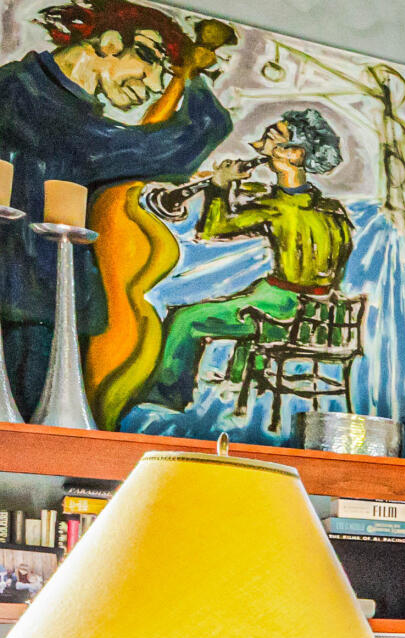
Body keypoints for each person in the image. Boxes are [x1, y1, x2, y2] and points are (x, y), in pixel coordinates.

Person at [0, 0, 235, 417]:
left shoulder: (58, 107)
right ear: (109, 42)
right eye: (148, 61)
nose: (151, 86)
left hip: (42, 300)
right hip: (22, 301)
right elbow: (160, 149)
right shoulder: (24, 96)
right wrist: (197, 87)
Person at [143, 109, 356, 430]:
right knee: (241, 299)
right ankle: (237, 376)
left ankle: (165, 399)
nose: (263, 144)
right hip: (319, 318)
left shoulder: (278, 206)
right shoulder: (331, 209)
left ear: (295, 153)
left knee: (184, 319)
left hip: (282, 311)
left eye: (274, 138)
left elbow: (213, 230)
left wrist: (219, 188)